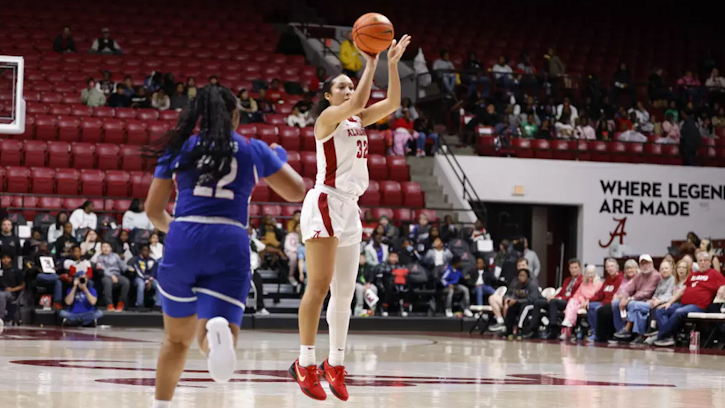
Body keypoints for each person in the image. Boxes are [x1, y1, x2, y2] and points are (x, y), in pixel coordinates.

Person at [143, 84, 305, 407]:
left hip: (184, 237)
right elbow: (297, 190)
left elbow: (152, 210)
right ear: (235, 115)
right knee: (217, 334)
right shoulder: (252, 148)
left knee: (176, 340)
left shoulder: (179, 147)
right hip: (229, 240)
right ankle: (218, 335)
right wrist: (275, 158)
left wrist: (176, 231)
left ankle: (161, 405)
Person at [292, 34, 410, 402]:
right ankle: (304, 362)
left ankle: (335, 364)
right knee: (319, 287)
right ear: (328, 96)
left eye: (349, 84)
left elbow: (392, 102)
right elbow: (360, 99)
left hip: (350, 208)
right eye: (339, 85)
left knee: (345, 293)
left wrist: (390, 63)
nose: (347, 90)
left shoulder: (358, 118)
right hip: (325, 202)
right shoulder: (327, 118)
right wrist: (369, 61)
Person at [651, 252, 725, 347]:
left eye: (705, 260)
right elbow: (682, 290)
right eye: (700, 260)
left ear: (709, 262)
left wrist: (722, 288)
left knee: (679, 312)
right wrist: (669, 303)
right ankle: (668, 337)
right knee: (661, 310)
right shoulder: (693, 274)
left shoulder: (714, 273)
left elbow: (723, 283)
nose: (702, 263)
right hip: (683, 304)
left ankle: (661, 335)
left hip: (699, 306)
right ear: (697, 262)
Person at [524, 258, 583, 339]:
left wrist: (559, 298)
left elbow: (575, 295)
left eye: (575, 267)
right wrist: (554, 296)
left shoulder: (582, 280)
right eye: (571, 268)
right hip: (560, 300)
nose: (573, 270)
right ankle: (533, 329)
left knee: (554, 302)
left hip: (571, 302)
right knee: (538, 302)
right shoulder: (567, 280)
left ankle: (553, 329)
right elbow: (562, 292)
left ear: (580, 268)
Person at [609, 254, 662, 343]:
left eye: (647, 263)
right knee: (616, 303)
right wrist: (624, 298)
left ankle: (628, 330)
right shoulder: (639, 275)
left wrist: (630, 299)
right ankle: (620, 331)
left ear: (652, 264)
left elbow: (647, 292)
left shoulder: (656, 275)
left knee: (633, 305)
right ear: (640, 265)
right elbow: (628, 289)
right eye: (643, 264)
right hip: (637, 302)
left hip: (649, 302)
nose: (645, 266)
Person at [586, 258, 624, 342]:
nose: (610, 268)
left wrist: (603, 303)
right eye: (608, 267)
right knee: (590, 306)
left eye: (612, 266)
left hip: (612, 303)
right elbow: (600, 294)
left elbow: (617, 294)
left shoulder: (621, 279)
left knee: (598, 309)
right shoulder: (607, 279)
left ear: (617, 267)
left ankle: (599, 335)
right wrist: (589, 300)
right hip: (604, 302)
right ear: (606, 269)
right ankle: (594, 331)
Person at [560, 265, 602, 340]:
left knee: (572, 307)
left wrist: (586, 300)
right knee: (572, 301)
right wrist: (582, 300)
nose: (590, 275)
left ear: (595, 273)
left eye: (592, 273)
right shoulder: (583, 283)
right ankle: (568, 323)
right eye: (588, 273)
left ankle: (568, 326)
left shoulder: (598, 283)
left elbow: (596, 296)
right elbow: (577, 294)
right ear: (585, 274)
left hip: (591, 302)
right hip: (581, 302)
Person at [502, 267, 541, 336]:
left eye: (523, 275)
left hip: (533, 304)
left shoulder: (532, 285)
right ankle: (509, 331)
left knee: (524, 307)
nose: (521, 277)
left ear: (527, 277)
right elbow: (512, 294)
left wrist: (517, 301)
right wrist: (510, 300)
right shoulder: (518, 285)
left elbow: (533, 299)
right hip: (521, 302)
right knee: (511, 308)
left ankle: (522, 331)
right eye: (520, 275)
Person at [97, 242, 132, 311]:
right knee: (107, 283)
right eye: (103, 247)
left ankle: (121, 303)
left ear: (111, 248)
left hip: (117, 275)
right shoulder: (100, 257)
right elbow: (102, 268)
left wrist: (129, 268)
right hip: (106, 275)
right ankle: (109, 304)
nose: (106, 249)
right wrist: (111, 276)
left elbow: (122, 265)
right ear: (101, 249)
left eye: (107, 247)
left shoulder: (115, 255)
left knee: (126, 282)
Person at [130, 244, 160, 310]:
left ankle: (158, 304)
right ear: (141, 251)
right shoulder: (137, 260)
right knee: (141, 285)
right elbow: (139, 272)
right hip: (139, 278)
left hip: (150, 279)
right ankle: (139, 304)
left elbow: (154, 271)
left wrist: (150, 279)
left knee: (158, 285)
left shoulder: (152, 260)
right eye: (144, 251)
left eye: (147, 251)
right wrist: (147, 281)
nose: (146, 252)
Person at [0, 254, 24, 329]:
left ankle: (1, 317)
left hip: (12, 293)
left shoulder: (16, 271)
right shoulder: (0, 271)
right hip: (1, 290)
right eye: (3, 258)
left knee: (1, 295)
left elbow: (22, 285)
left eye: (7, 258)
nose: (5, 260)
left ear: (10, 259)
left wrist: (12, 289)